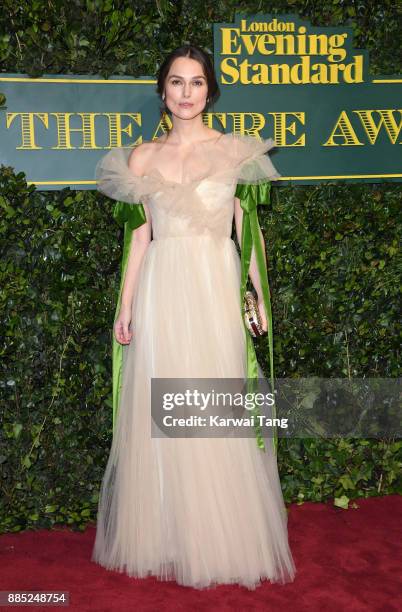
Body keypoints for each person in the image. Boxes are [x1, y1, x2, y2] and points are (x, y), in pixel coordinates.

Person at [91, 44, 296, 590]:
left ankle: (222, 536)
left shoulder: (234, 152)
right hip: (162, 284)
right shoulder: (141, 158)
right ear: (162, 91)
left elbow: (248, 234)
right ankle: (168, 536)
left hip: (215, 284)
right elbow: (139, 238)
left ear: (211, 91)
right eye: (177, 82)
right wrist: (127, 304)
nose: (186, 93)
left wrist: (257, 298)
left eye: (197, 82)